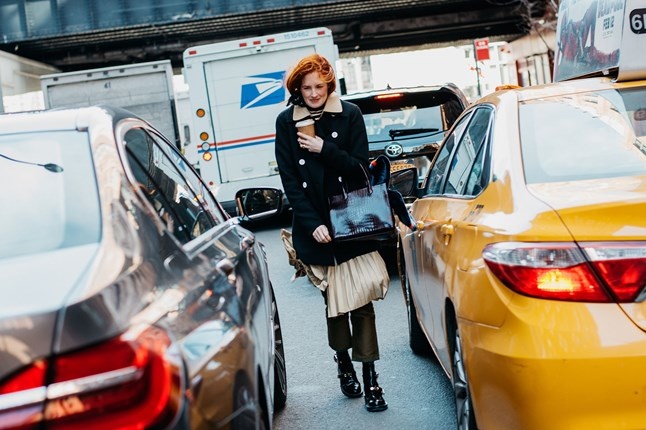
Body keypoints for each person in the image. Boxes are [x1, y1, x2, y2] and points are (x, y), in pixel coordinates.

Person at [275, 53, 388, 412]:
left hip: (353, 223)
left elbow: (360, 169)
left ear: (329, 86)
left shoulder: (349, 114)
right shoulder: (286, 122)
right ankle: (343, 364)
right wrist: (313, 224)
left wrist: (324, 149)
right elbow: (290, 181)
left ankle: (371, 380)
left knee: (362, 303)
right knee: (335, 305)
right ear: (297, 88)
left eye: (319, 87)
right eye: (306, 88)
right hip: (318, 229)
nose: (313, 94)